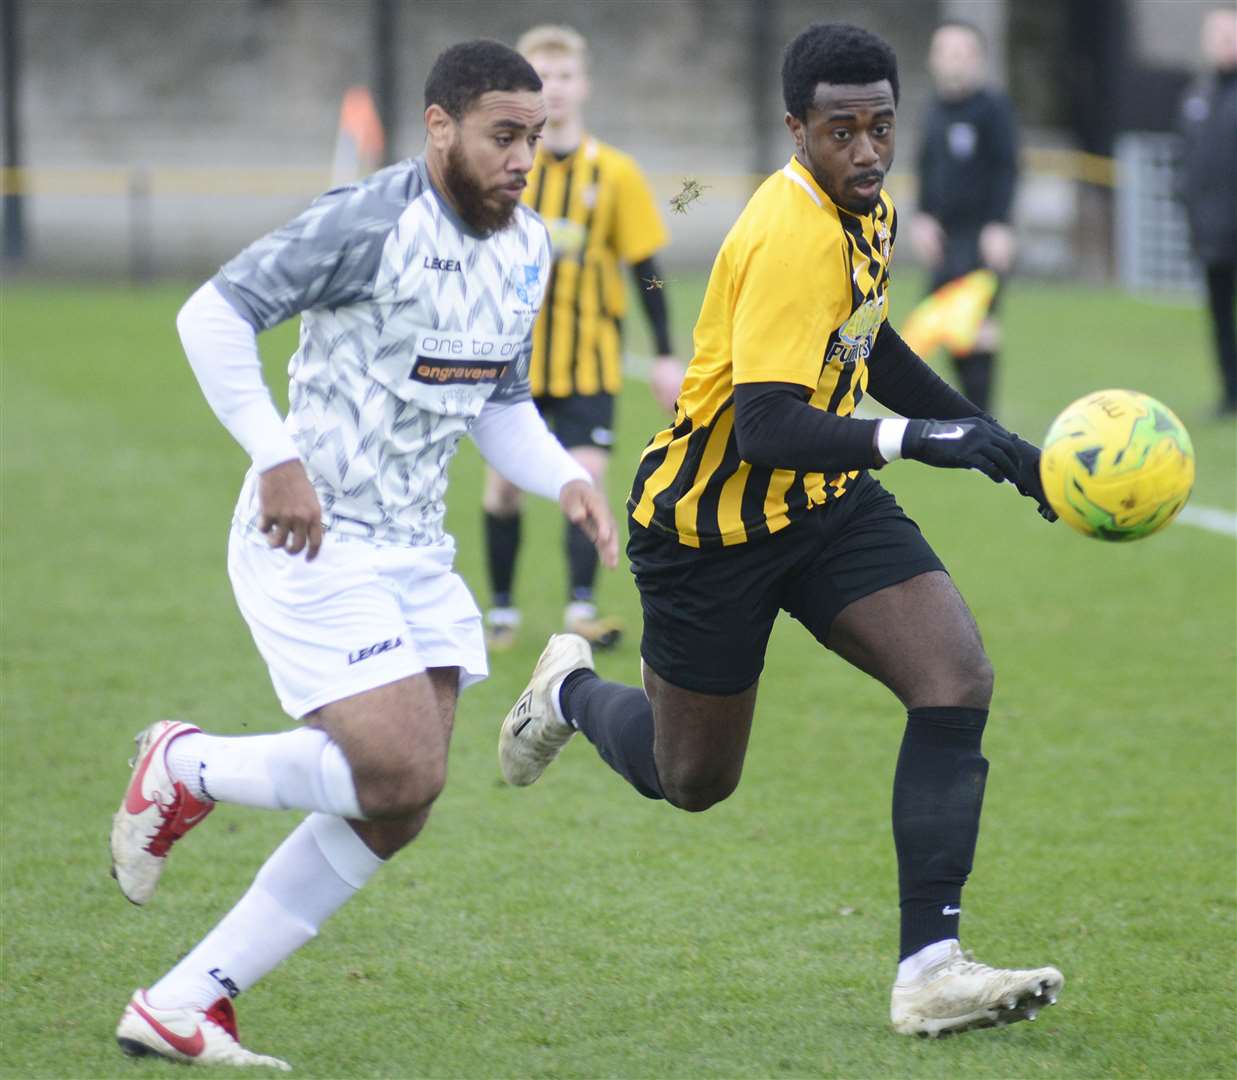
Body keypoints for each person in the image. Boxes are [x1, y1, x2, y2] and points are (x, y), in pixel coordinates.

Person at [500, 22, 1064, 1039]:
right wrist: (918, 440)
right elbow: (762, 427)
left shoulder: (869, 207)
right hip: (708, 531)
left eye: (881, 126)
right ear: (794, 127)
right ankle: (569, 691)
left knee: (954, 676)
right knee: (695, 781)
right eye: (840, 129)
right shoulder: (784, 229)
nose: (866, 149)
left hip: (822, 504)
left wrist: (992, 440)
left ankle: (930, 967)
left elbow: (868, 342)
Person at [109, 40, 616, 1069]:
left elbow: (499, 401)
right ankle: (184, 764)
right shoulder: (370, 220)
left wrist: (563, 474)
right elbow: (211, 314)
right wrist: (276, 455)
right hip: (308, 534)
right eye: (503, 135)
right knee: (396, 768)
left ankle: (181, 1001)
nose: (525, 157)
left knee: (401, 806)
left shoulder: (527, 246)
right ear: (440, 128)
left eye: (536, 137)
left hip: (414, 550)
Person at [481, 24, 682, 653]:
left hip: (591, 365)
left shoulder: (615, 173)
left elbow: (646, 272)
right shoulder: (508, 168)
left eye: (564, 77)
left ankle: (580, 608)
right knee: (504, 488)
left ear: (583, 84)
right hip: (515, 369)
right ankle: (505, 612)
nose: (555, 91)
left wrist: (666, 351)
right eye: (540, 79)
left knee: (583, 475)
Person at [909, 20, 1019, 414]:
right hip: (944, 238)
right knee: (943, 324)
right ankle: (969, 412)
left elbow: (1007, 168)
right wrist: (921, 217)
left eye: (961, 53)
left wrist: (1000, 224)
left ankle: (981, 414)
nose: (952, 61)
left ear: (977, 60)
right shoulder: (933, 111)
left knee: (977, 323)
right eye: (945, 52)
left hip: (982, 236)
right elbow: (924, 167)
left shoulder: (993, 108)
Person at [1177, 6, 1237, 417]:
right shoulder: (1196, 96)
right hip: (1211, 232)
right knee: (1219, 319)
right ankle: (1230, 395)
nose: (1223, 42)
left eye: (1230, 35)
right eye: (1216, 35)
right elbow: (1186, 159)